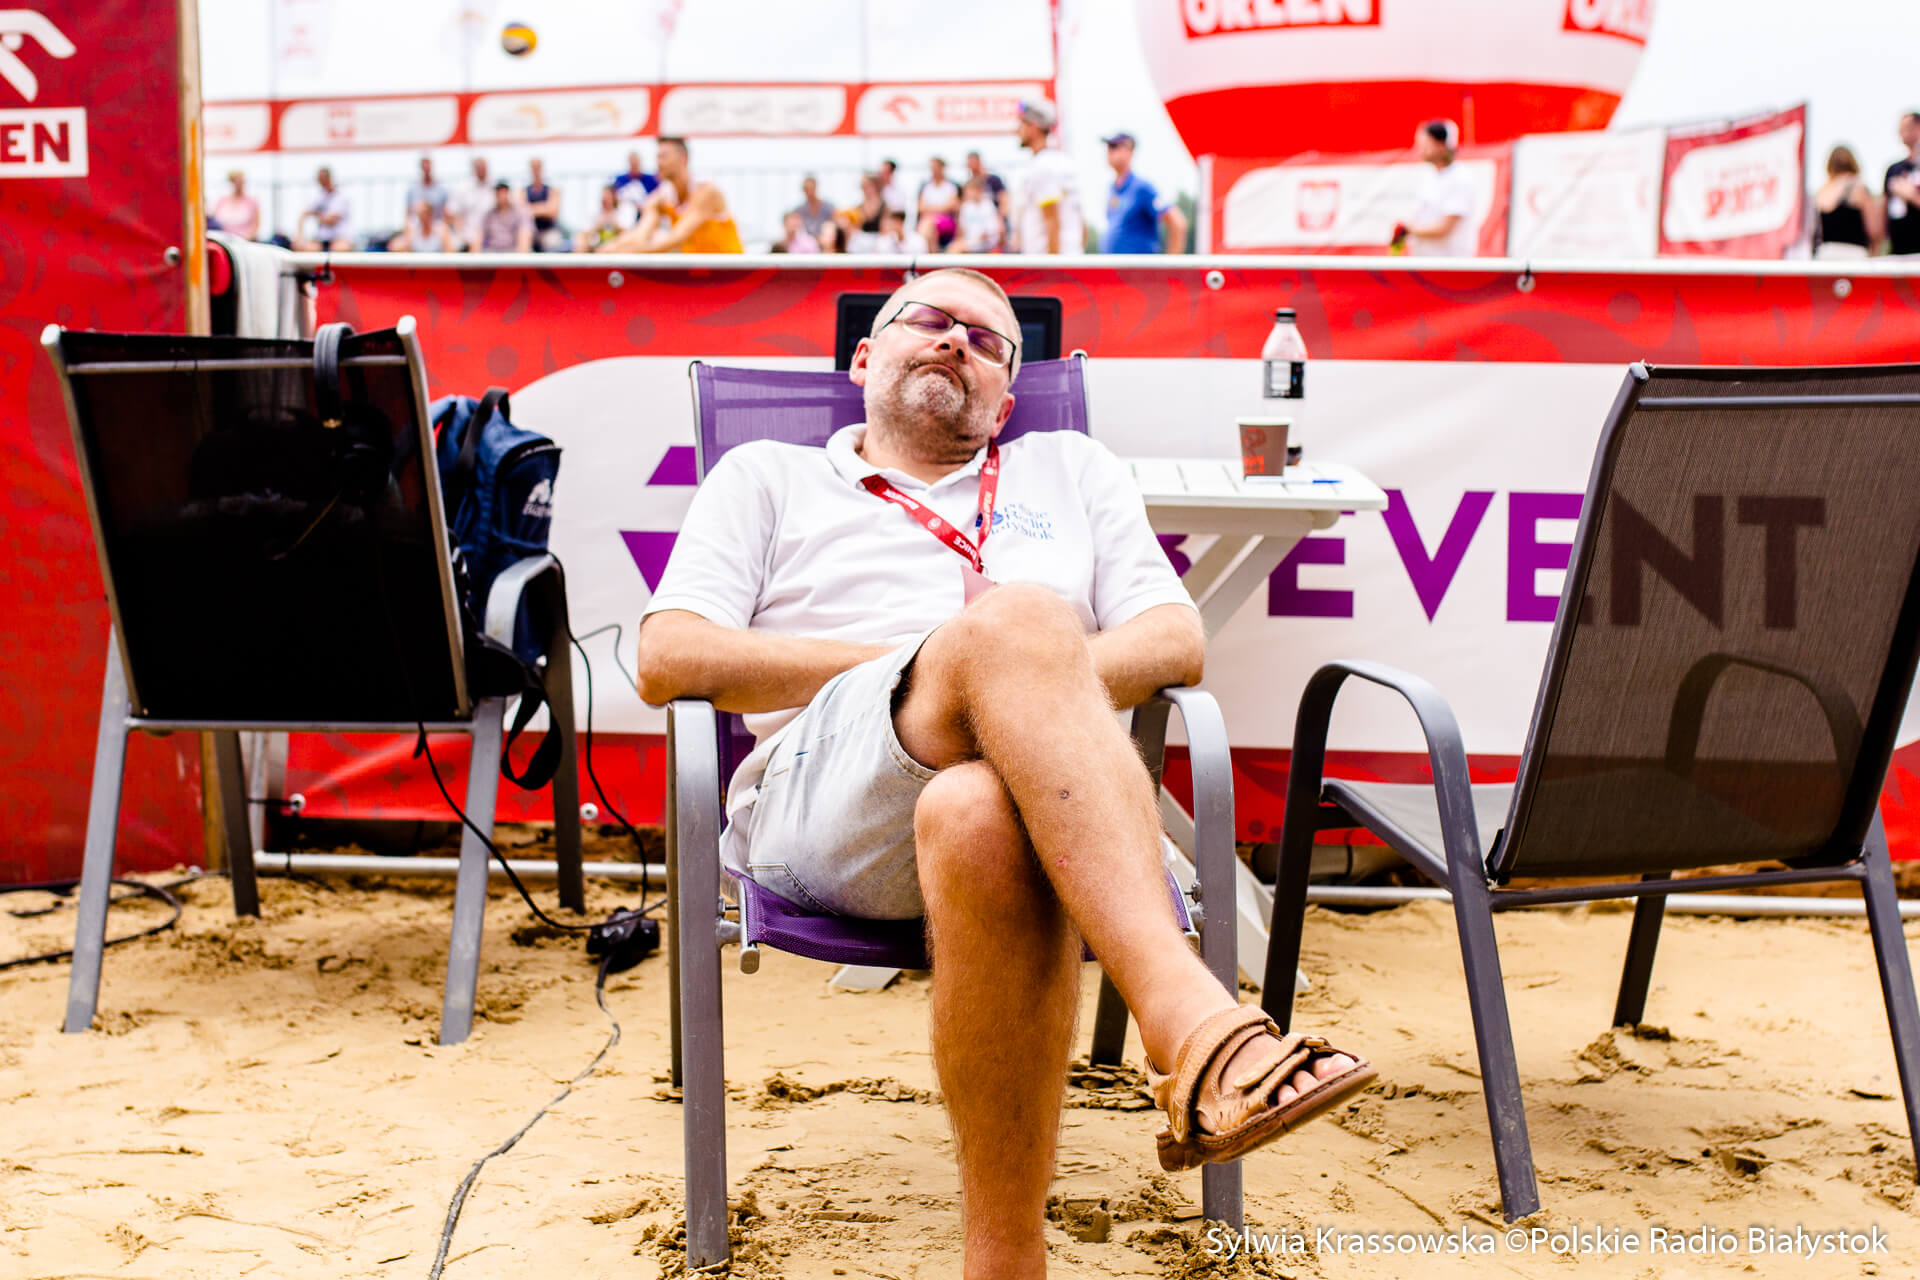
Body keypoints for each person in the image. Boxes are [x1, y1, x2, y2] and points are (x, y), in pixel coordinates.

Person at [635, 266, 1374, 1278]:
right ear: (864, 358)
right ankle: (1195, 1021)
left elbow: (1174, 637)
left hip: (1024, 804)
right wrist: (951, 661)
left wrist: (1013, 683)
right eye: (929, 320)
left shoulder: (1070, 466)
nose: (955, 341)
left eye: (988, 341)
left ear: (1009, 400)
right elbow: (669, 654)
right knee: (1022, 617)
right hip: (824, 802)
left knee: (980, 804)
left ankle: (1005, 1257)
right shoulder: (766, 476)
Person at [597, 136, 744, 254]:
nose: (658, 163)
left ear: (683, 158)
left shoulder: (706, 192)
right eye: (657, 157)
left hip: (731, 271)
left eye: (664, 157)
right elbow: (639, 235)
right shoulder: (661, 197)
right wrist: (610, 248)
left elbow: (676, 239)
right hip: (698, 271)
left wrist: (626, 252)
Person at [1009, 99, 1083, 255]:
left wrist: (1052, 266)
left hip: (1048, 262)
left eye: (1022, 124)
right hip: (1067, 260)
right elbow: (1082, 224)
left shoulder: (1043, 166)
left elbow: (1052, 222)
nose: (1017, 130)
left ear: (1034, 127)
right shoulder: (1060, 162)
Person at [1398, 119, 1477, 257]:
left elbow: (1445, 228)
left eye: (1425, 145)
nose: (1420, 151)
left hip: (1451, 264)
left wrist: (1410, 230)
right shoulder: (1430, 176)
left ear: (1441, 146)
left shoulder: (1461, 179)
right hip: (1427, 261)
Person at [1100, 132, 1188, 254]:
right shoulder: (1113, 189)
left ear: (1129, 151)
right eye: (1109, 147)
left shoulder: (1142, 188)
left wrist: (1171, 262)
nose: (1109, 151)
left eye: (1114, 146)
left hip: (1138, 265)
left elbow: (1177, 222)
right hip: (1115, 265)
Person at [1813, 145, 1883, 260]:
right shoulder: (1858, 187)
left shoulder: (1822, 191)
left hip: (1825, 255)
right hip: (1854, 256)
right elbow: (1875, 230)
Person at [1884, 111, 1920, 256]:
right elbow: (1884, 207)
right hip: (1898, 248)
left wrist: (1912, 195)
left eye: (1907, 128)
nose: (1902, 133)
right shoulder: (1894, 169)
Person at [294, 166, 355, 251]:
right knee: (303, 248)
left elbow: (331, 220)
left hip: (340, 238)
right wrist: (300, 237)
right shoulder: (319, 196)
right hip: (321, 239)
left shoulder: (342, 196)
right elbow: (303, 215)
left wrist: (315, 213)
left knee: (340, 249)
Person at [447, 156, 495, 251]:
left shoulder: (495, 186)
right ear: (473, 169)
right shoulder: (462, 188)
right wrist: (463, 237)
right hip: (466, 237)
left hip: (491, 238)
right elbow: (452, 214)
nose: (481, 170)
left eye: (483, 167)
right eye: (479, 167)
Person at [476, 180, 532, 254]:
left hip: (512, 253)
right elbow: (478, 237)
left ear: (508, 192)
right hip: (491, 253)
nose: (501, 194)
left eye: (503, 191)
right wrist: (474, 257)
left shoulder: (519, 213)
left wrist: (520, 257)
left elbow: (524, 236)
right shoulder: (488, 215)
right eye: (498, 191)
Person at [917, 156, 960, 249]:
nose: (933, 170)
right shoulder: (927, 186)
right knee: (930, 228)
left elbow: (952, 206)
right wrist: (940, 208)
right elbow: (920, 207)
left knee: (927, 224)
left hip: (946, 222)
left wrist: (930, 209)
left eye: (936, 167)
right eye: (932, 168)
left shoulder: (950, 186)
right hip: (930, 221)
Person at [575, 184, 634, 251]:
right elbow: (584, 233)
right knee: (581, 241)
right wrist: (598, 226)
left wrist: (615, 224)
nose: (605, 200)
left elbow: (629, 235)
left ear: (614, 198)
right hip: (597, 245)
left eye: (608, 198)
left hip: (617, 246)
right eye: (603, 198)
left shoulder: (623, 212)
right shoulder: (596, 213)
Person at [954, 175, 1003, 253]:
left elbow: (989, 233)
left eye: (970, 191)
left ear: (978, 190)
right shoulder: (966, 207)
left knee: (955, 249)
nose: (967, 194)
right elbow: (962, 230)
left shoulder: (988, 206)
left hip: (985, 243)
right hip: (970, 242)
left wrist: (970, 243)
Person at [525, 157, 565, 252]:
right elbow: (522, 211)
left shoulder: (552, 190)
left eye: (538, 167)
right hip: (530, 231)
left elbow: (553, 212)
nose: (536, 171)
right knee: (523, 238)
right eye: (533, 167)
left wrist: (532, 209)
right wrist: (544, 208)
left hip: (548, 231)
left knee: (552, 242)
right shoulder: (523, 191)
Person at [842, 173, 887, 253]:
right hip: (862, 247)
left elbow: (886, 230)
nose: (864, 189)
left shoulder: (885, 207)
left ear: (875, 186)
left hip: (879, 247)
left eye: (867, 186)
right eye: (862, 187)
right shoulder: (857, 208)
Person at [386, 200, 452, 253]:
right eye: (418, 213)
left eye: (423, 213)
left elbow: (450, 251)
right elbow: (393, 247)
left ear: (430, 213)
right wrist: (408, 240)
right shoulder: (413, 230)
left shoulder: (441, 229)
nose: (421, 216)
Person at [210, 170, 260, 241]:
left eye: (241, 182)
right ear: (231, 183)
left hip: (244, 241)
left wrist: (246, 240)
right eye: (236, 181)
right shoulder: (222, 201)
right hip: (224, 240)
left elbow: (256, 225)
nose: (239, 184)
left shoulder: (252, 201)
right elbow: (214, 221)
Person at [612, 148, 659, 217]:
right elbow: (614, 199)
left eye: (636, 163)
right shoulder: (620, 180)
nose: (634, 166)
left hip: (646, 214)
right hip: (625, 215)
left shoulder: (651, 180)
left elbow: (657, 195)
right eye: (632, 164)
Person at [405, 156, 448, 220]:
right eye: (424, 168)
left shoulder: (441, 190)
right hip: (418, 224)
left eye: (428, 168)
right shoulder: (412, 189)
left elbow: (445, 212)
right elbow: (408, 212)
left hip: (436, 223)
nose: (426, 171)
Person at [791, 174, 833, 239]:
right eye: (806, 189)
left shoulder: (828, 208)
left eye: (811, 188)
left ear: (816, 187)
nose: (809, 192)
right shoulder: (799, 211)